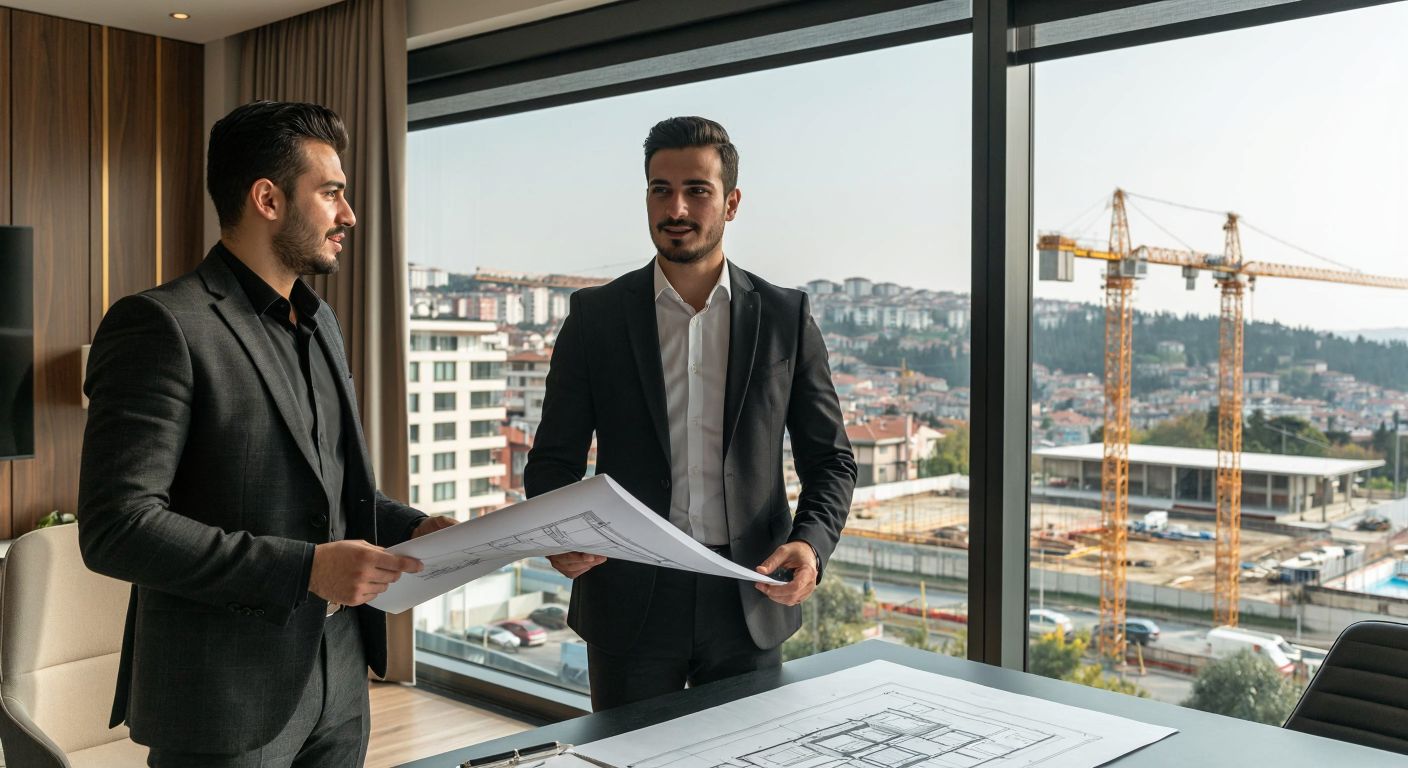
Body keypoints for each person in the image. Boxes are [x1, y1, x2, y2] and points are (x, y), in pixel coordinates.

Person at [77, 100, 454, 767]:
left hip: (341, 678)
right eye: (331, 193)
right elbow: (118, 528)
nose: (349, 215)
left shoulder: (322, 323)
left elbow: (331, 492)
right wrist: (307, 569)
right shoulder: (160, 325)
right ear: (268, 199)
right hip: (222, 696)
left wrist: (415, 528)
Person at [524, 116, 857, 710]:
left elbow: (831, 460)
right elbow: (552, 460)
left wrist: (810, 545)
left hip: (751, 594)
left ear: (731, 203)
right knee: (624, 753)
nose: (675, 208)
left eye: (696, 190)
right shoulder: (596, 317)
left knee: (742, 753)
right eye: (661, 189)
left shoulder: (785, 316)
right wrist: (561, 534)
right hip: (627, 593)